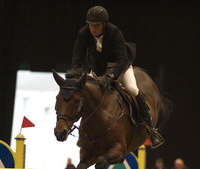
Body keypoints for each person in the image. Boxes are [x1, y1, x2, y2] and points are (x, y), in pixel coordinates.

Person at [66, 6, 164, 149]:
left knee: (132, 88)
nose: (93, 29)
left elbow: (122, 60)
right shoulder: (83, 33)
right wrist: (74, 72)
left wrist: (111, 76)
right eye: (91, 25)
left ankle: (150, 128)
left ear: (104, 24)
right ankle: (80, 130)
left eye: (97, 25)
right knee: (85, 92)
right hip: (98, 69)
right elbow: (77, 57)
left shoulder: (114, 32)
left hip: (120, 67)